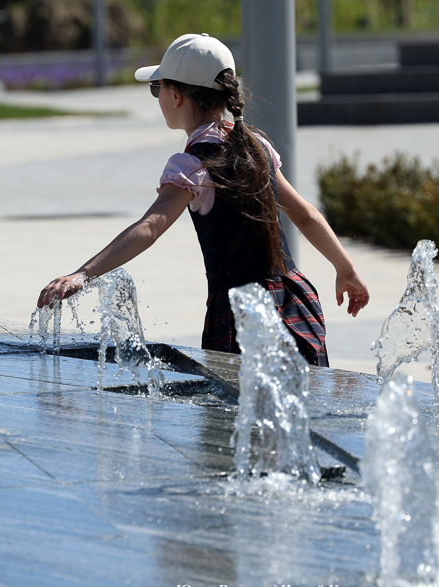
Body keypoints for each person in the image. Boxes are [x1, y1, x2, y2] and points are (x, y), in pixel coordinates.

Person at [36, 33, 370, 367]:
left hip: (240, 315)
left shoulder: (193, 164)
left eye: (158, 88)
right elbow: (306, 215)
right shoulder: (258, 147)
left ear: (176, 96)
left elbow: (151, 227)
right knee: (301, 411)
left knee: (235, 414)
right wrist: (346, 269)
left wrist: (83, 273)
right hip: (293, 301)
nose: (158, 97)